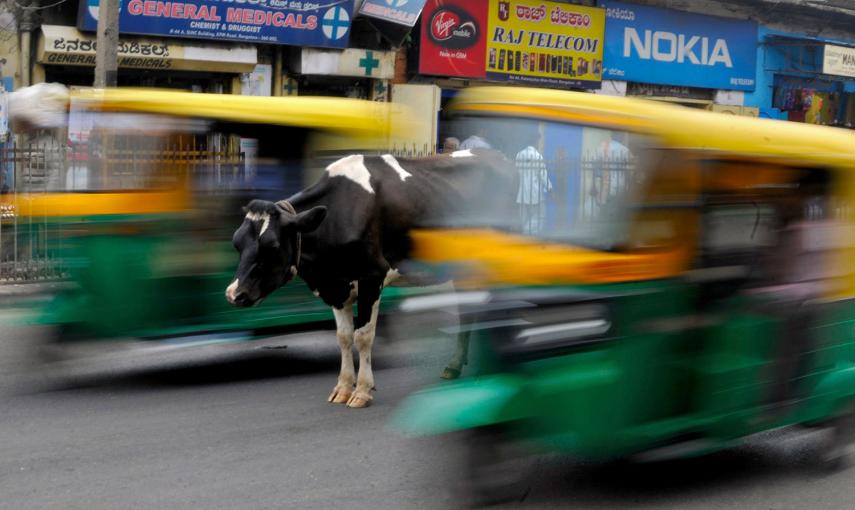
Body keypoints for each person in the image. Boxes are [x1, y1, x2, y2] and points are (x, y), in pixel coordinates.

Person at [515, 131, 552, 235]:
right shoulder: (537, 156)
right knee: (539, 217)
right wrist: (550, 189)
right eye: (539, 141)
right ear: (536, 141)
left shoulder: (519, 154)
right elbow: (543, 175)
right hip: (535, 193)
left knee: (523, 218)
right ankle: (527, 234)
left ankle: (523, 234)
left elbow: (518, 171)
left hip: (522, 193)